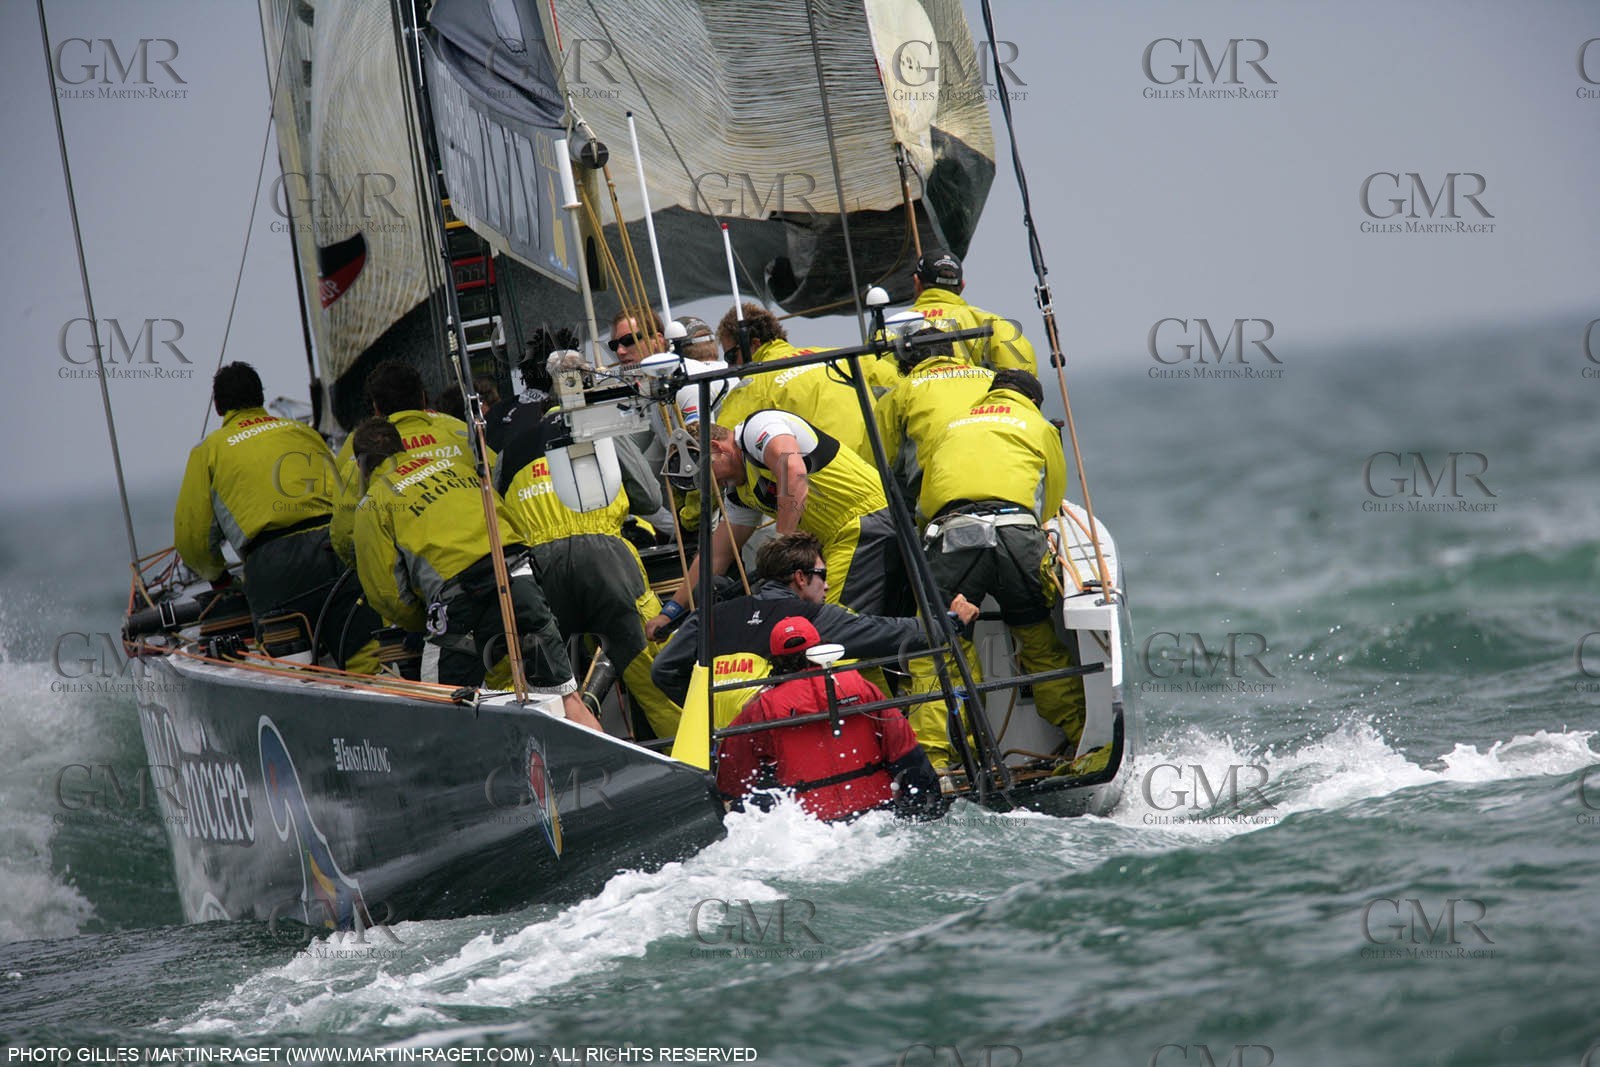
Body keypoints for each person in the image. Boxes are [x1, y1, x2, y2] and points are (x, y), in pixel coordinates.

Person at [349, 418, 601, 729]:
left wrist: (420, 621)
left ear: (362, 466)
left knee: (442, 712)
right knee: (567, 701)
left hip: (460, 605)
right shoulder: (458, 469)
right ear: (402, 447)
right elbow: (511, 524)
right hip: (517, 578)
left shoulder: (373, 503)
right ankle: (614, 768)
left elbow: (387, 594)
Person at [912, 368, 1083, 768]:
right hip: (1017, 536)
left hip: (954, 536)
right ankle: (1080, 741)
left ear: (991, 394)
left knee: (942, 646)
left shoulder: (950, 426)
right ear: (1031, 401)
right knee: (1039, 642)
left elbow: (925, 501)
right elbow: (1053, 498)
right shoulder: (1038, 426)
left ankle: (941, 761)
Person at [651, 532, 977, 728]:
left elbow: (664, 670)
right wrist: (951, 622)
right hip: (779, 733)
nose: (828, 583)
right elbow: (891, 633)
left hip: (718, 742)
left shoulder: (710, 616)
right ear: (801, 578)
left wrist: (706, 710)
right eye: (823, 574)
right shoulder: (814, 617)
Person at [174, 362, 381, 671]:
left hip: (273, 568)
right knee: (366, 659)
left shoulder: (209, 451)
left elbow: (192, 540)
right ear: (260, 397)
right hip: (332, 553)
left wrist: (219, 577)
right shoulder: (302, 433)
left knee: (288, 673)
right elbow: (345, 497)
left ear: (218, 408)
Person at [495, 407, 682, 739]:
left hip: (538, 569)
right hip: (607, 560)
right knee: (656, 680)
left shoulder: (509, 451)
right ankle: (694, 765)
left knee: (547, 692)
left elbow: (499, 523)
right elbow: (650, 498)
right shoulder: (600, 425)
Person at [646, 411, 900, 638]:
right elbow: (717, 556)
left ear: (717, 448)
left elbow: (794, 471)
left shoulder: (759, 428)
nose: (713, 485)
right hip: (839, 543)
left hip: (866, 523)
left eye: (707, 474)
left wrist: (784, 545)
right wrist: (671, 611)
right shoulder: (740, 491)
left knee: (829, 635)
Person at [714, 615, 945, 823]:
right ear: (821, 649)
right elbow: (905, 751)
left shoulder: (762, 708)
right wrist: (929, 809)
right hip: (877, 815)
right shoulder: (862, 687)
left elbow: (734, 778)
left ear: (775, 661)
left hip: (810, 830)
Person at [329, 360, 488, 567]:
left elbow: (346, 533)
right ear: (422, 398)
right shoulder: (458, 430)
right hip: (488, 549)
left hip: (424, 576)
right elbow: (498, 476)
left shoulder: (359, 448)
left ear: (376, 408)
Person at [713, 303, 872, 460]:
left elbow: (722, 449)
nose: (730, 366)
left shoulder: (754, 387)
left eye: (731, 357)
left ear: (754, 345)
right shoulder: (839, 357)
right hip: (877, 470)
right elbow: (893, 378)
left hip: (824, 479)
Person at [874, 326, 994, 515]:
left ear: (909, 367)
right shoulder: (992, 379)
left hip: (942, 492)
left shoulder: (900, 393)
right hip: (1002, 475)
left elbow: (883, 463)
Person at [905, 249, 1036, 374]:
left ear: (916, 281)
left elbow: (886, 381)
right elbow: (1021, 378)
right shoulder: (993, 324)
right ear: (962, 285)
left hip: (908, 396)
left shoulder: (890, 330)